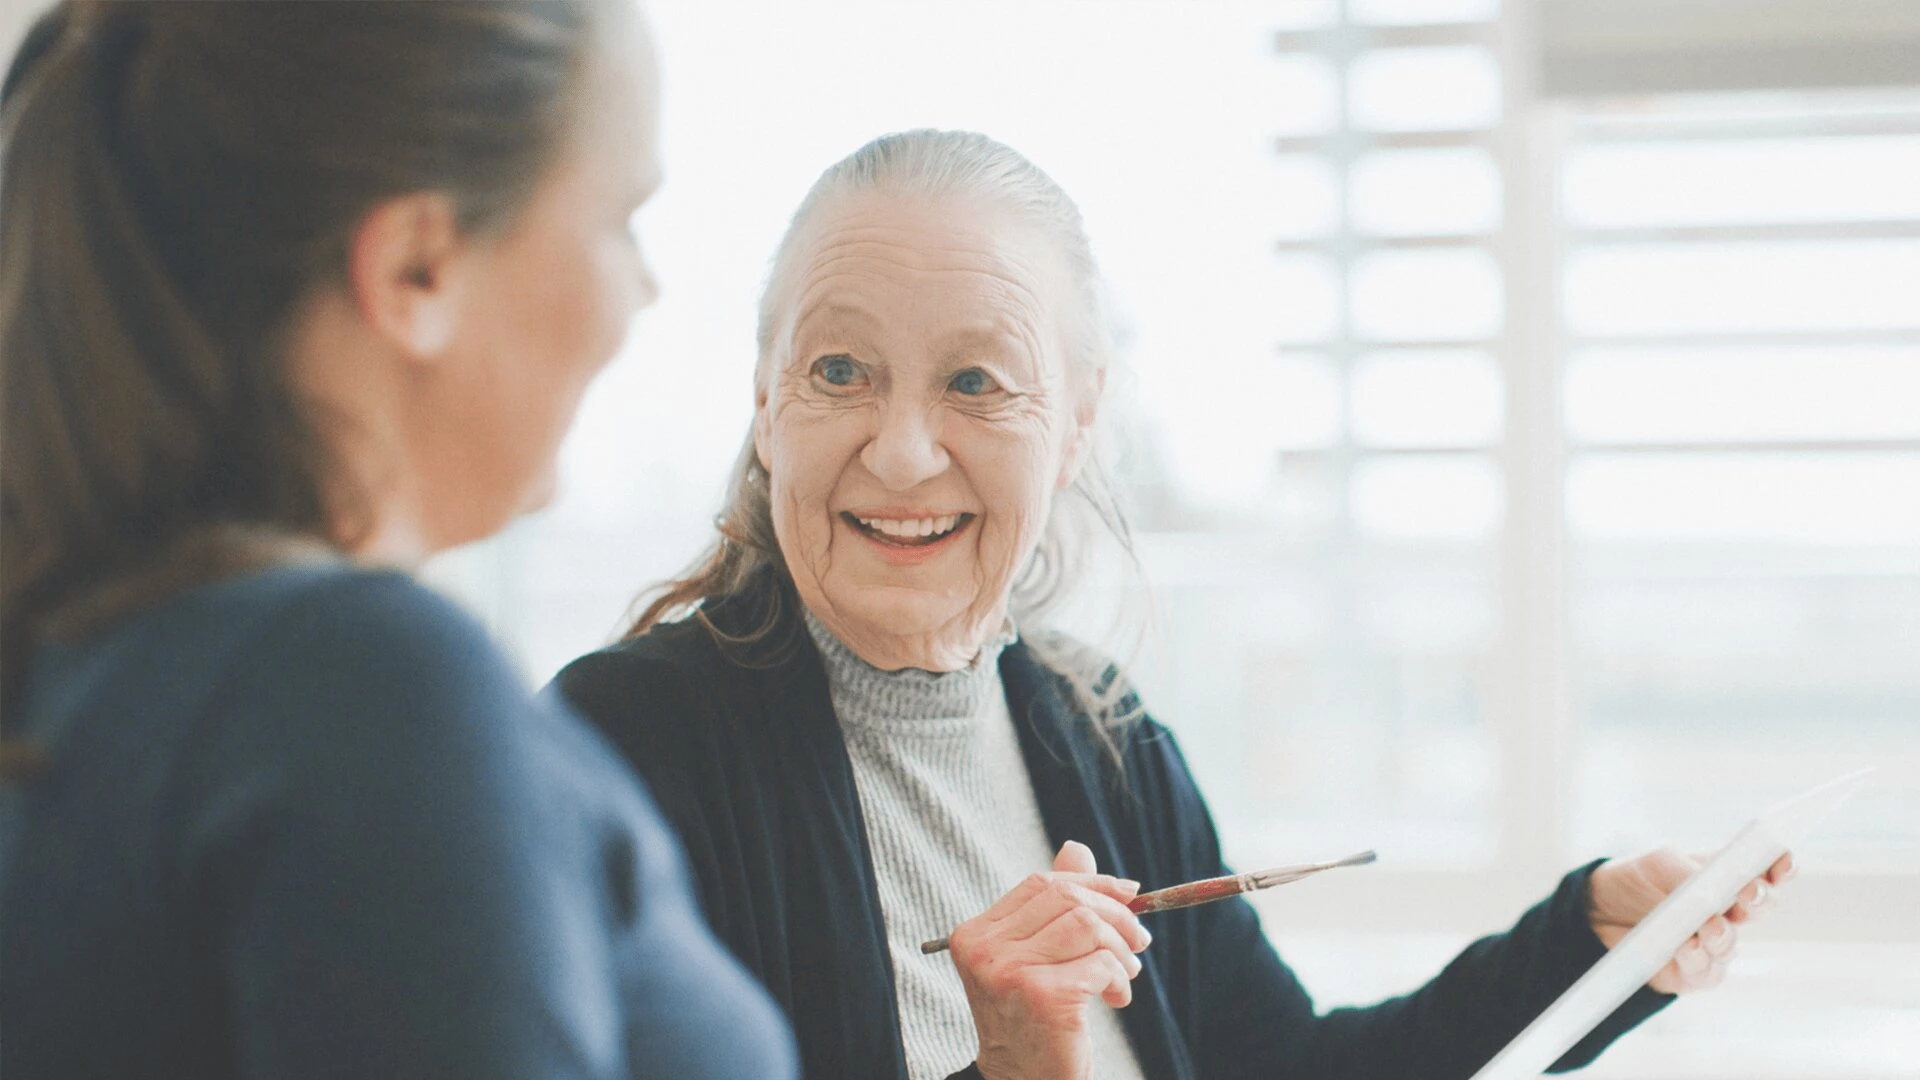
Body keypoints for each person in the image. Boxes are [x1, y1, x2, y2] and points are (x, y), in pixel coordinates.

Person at [551, 128, 1794, 1080]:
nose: (905, 451)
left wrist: (1589, 941)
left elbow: (1284, 1070)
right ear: (768, 403)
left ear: (1079, 424)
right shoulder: (621, 749)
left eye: (977, 381)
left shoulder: (1105, 735)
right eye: (839, 372)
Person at [0, 3, 797, 1077]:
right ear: (419, 265)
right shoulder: (364, 691)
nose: (643, 290)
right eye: (620, 220)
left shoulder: (94, 656)